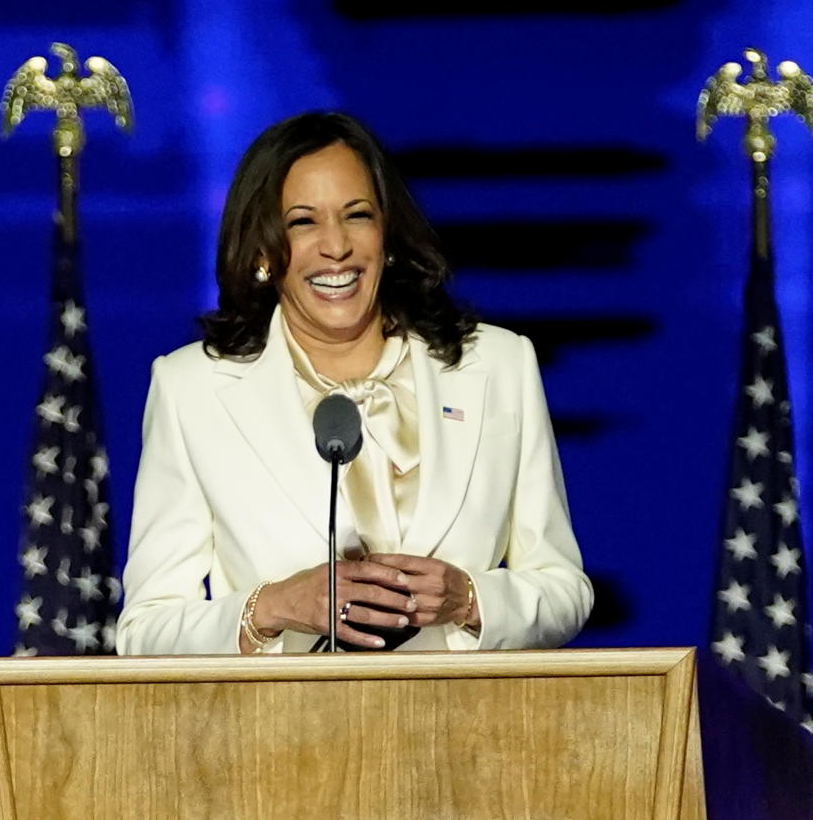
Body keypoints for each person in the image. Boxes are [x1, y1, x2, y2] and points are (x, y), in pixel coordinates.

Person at [115, 112, 592, 655]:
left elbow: (564, 591)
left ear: (387, 236)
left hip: (469, 726)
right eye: (303, 222)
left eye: (357, 215)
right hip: (281, 731)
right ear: (264, 252)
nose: (335, 246)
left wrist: (470, 599)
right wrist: (271, 608)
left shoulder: (500, 364)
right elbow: (144, 633)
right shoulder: (191, 389)